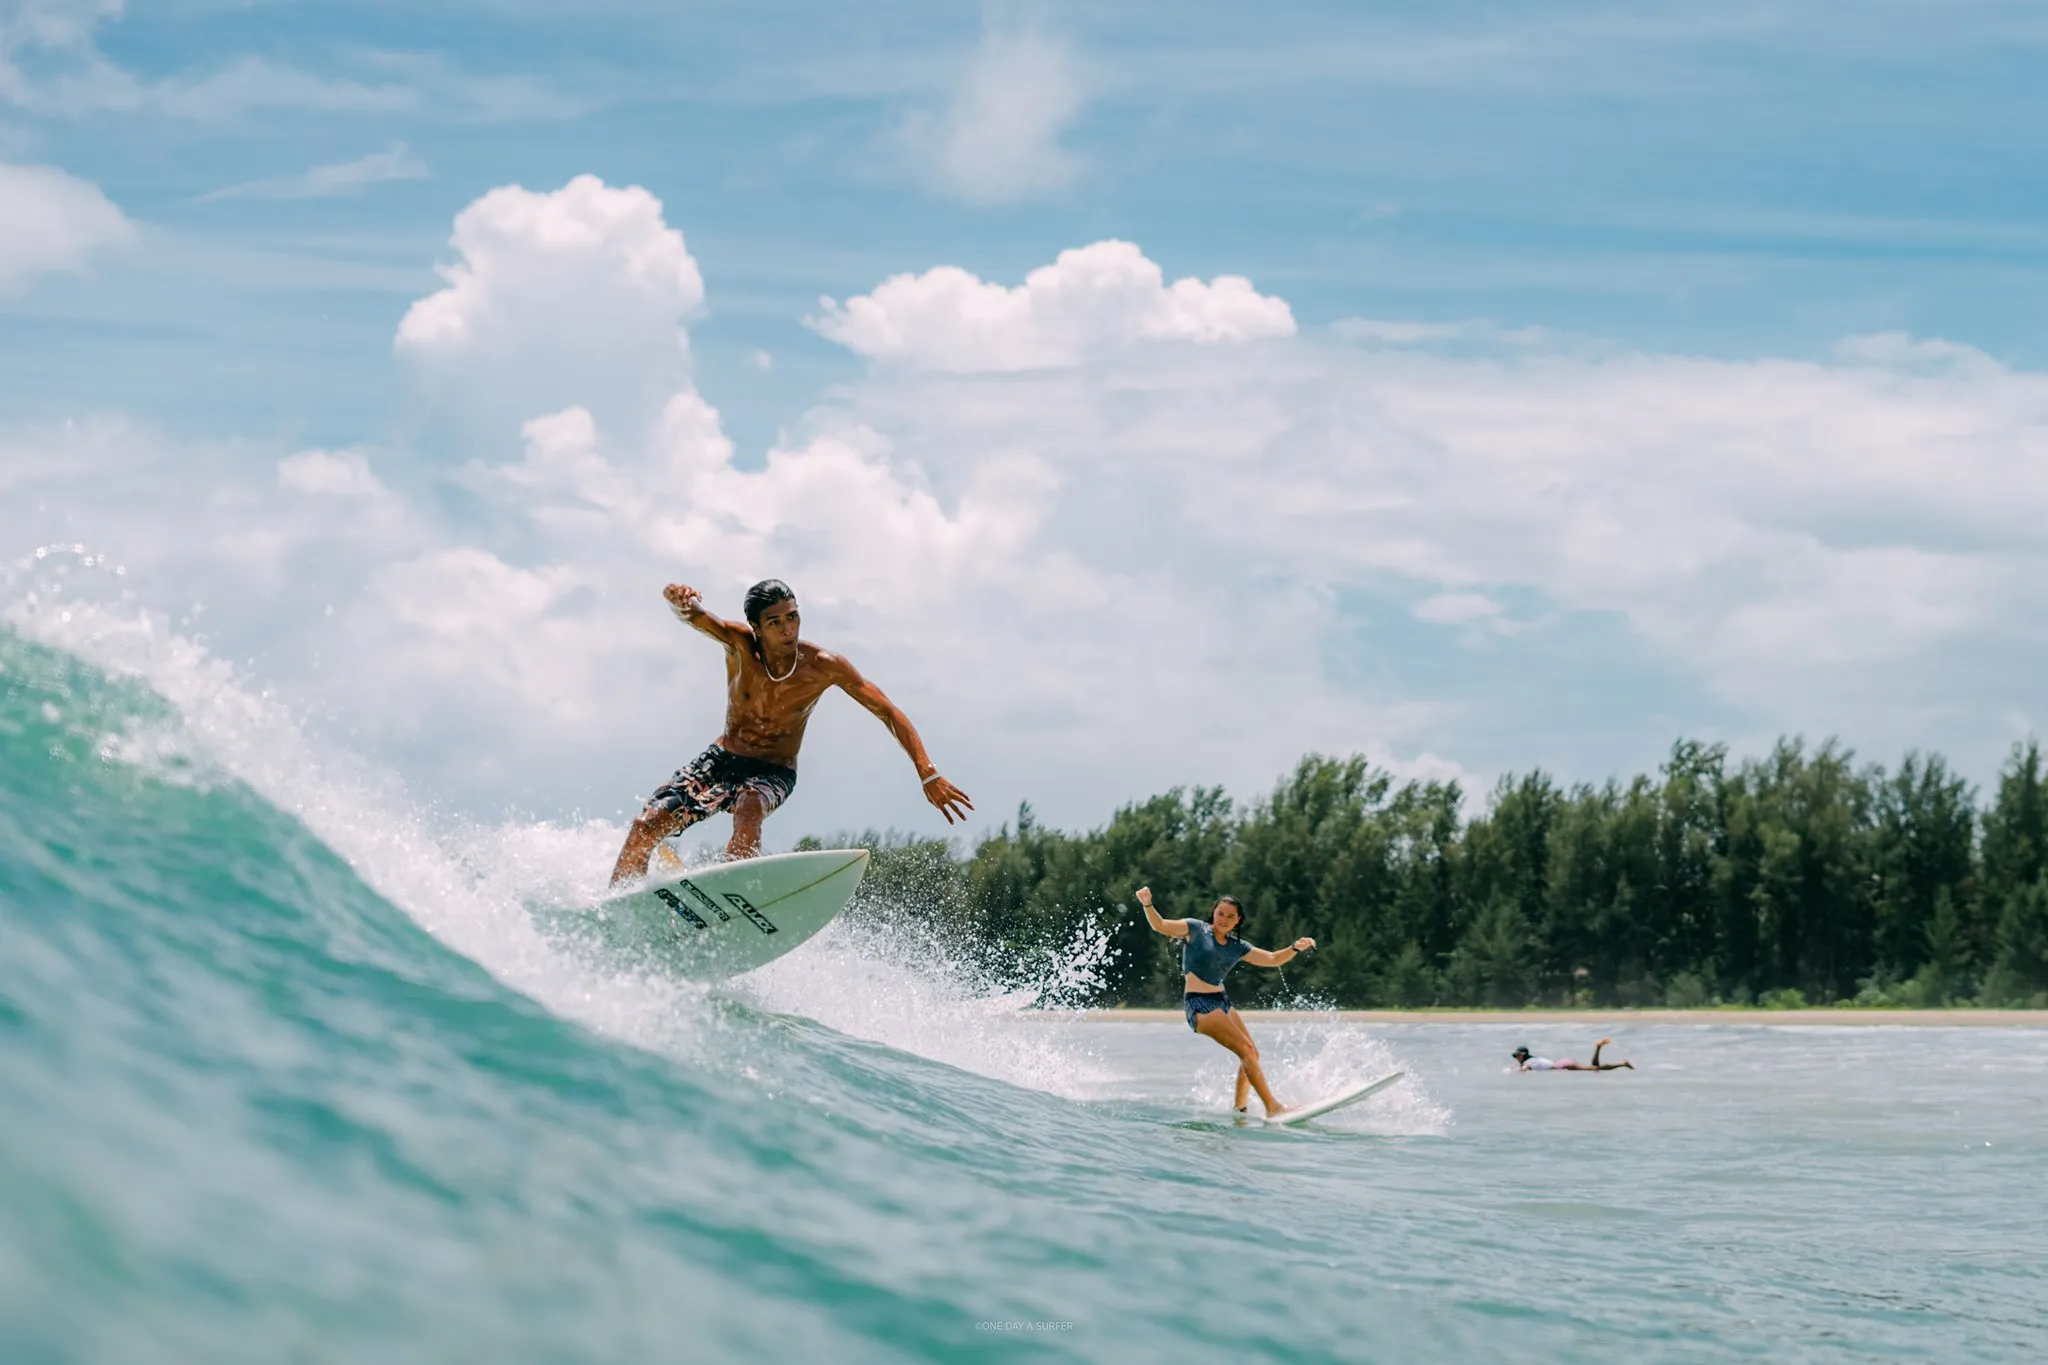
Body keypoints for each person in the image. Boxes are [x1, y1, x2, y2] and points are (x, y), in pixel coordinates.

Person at [609, 579, 973, 884]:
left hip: (774, 770)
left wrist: (927, 772)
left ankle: (737, 891)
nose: (788, 629)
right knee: (646, 826)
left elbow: (888, 711)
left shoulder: (823, 666)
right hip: (722, 759)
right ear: (756, 628)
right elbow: (696, 617)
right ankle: (619, 903)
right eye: (775, 622)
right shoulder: (738, 644)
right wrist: (678, 600)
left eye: (793, 617)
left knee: (749, 806)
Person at [1135, 886, 1315, 1118]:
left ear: (1238, 920)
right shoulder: (1195, 929)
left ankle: (1240, 1109)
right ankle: (1273, 1108)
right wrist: (1147, 904)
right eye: (1221, 913)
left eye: (1231, 916)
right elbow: (1159, 925)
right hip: (1200, 1004)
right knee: (1247, 1051)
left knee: (1252, 1054)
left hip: (1223, 1002)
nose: (1224, 919)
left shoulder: (1237, 947)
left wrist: (1294, 948)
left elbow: (1272, 959)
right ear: (1214, 912)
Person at [1511, 1040, 1633, 1072]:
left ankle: (1599, 1048)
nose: (1516, 1058)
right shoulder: (1533, 1060)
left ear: (1522, 1055)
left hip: (1562, 1066)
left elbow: (1524, 1069)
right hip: (1562, 1063)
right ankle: (1622, 1064)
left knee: (1596, 1069)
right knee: (1595, 1069)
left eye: (1517, 1055)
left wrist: (1514, 1072)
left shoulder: (1529, 1062)